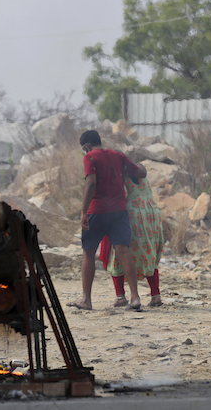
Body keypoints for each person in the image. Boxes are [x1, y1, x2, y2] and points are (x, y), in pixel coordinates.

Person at [66, 130, 147, 311]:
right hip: (119, 211)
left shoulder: (90, 158)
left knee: (88, 253)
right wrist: (143, 167)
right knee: (124, 252)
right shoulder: (118, 156)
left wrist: (83, 212)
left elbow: (91, 183)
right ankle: (135, 297)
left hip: (97, 211)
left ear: (87, 146)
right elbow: (138, 172)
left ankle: (86, 299)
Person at [100, 175, 164, 307]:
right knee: (149, 254)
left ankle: (120, 296)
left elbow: (118, 198)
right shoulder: (140, 172)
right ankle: (156, 295)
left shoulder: (119, 176)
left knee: (117, 254)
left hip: (132, 215)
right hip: (152, 214)